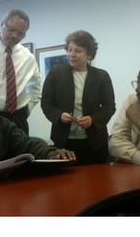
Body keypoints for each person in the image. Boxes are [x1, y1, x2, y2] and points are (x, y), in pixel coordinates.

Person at [41, 30, 116, 165]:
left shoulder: (101, 76)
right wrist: (60, 116)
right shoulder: (56, 73)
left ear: (89, 54)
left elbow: (109, 107)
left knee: (95, 181)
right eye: (69, 50)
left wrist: (93, 119)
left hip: (94, 142)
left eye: (78, 51)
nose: (72, 55)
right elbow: (46, 103)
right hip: (64, 141)